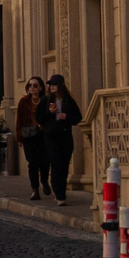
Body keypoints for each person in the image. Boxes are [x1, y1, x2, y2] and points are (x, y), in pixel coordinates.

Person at [35, 74, 83, 204]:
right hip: (51, 136)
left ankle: (61, 191)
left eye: (54, 84)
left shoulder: (68, 100)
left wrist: (65, 116)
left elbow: (77, 117)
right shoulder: (46, 101)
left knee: (64, 164)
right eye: (50, 84)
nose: (52, 87)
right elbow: (39, 118)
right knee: (55, 163)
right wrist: (50, 113)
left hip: (65, 135)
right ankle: (59, 194)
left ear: (60, 86)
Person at [14, 76, 46, 197]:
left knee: (44, 161)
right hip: (28, 135)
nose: (32, 88)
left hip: (42, 135)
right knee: (32, 163)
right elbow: (19, 120)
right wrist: (19, 138)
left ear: (40, 88)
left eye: (35, 85)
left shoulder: (45, 100)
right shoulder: (24, 101)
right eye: (30, 85)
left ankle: (44, 180)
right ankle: (35, 189)